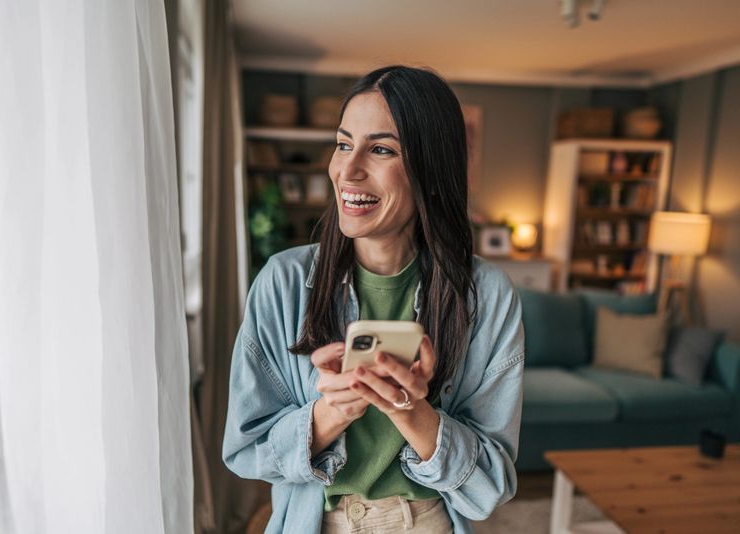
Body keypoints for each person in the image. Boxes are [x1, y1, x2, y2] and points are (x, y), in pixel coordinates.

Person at [223, 65, 524, 534]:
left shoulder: (487, 297)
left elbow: (490, 485)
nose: (348, 169)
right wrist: (331, 412)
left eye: (380, 149)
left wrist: (410, 410)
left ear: (430, 168)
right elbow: (244, 450)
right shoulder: (282, 282)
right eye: (343, 144)